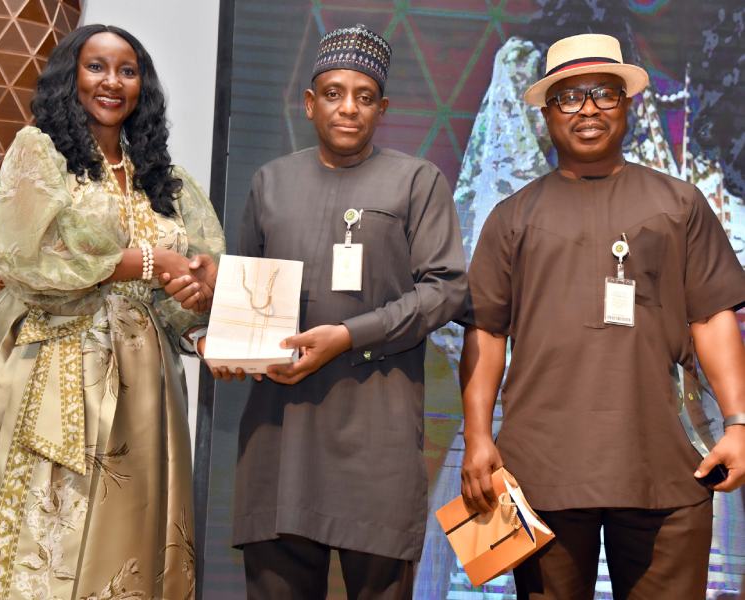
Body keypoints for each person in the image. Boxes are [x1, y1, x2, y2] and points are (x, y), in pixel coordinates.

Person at [0, 24, 224, 599]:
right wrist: (142, 261)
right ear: (71, 77)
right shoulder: (42, 153)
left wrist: (197, 297)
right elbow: (22, 254)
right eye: (97, 67)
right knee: (43, 528)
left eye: (127, 71)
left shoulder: (165, 181)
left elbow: (188, 282)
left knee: (127, 530)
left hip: (144, 386)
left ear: (144, 87)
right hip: (50, 361)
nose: (112, 82)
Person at [460, 33, 745, 598]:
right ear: (545, 111)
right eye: (569, 97)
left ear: (628, 104)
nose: (587, 109)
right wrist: (475, 437)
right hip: (541, 470)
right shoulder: (511, 217)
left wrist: (738, 423)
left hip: (667, 465)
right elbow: (486, 331)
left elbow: (713, 318)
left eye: (603, 94)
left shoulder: (680, 204)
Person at [192, 23, 468, 599]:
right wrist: (218, 338)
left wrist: (348, 335)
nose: (349, 109)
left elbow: (444, 289)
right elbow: (249, 296)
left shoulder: (418, 181)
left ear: (383, 108)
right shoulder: (271, 182)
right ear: (310, 102)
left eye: (365, 97)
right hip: (280, 437)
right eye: (335, 94)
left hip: (377, 436)